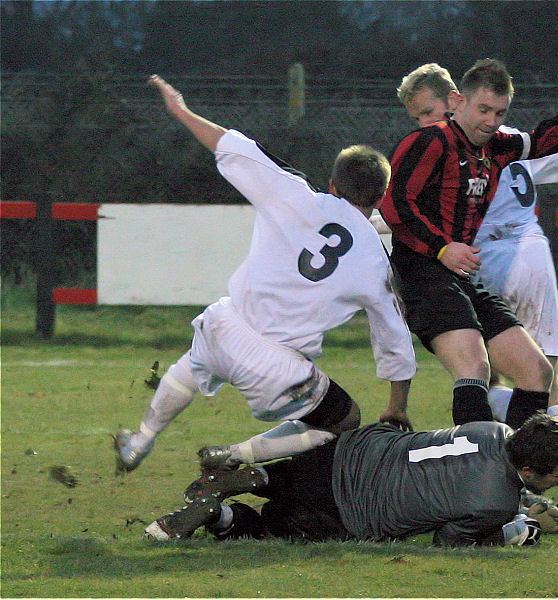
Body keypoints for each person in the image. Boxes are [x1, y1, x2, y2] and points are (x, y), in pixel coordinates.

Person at [114, 75, 417, 474]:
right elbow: (393, 334)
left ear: (331, 183)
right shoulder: (376, 259)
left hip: (225, 325)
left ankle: (139, 441)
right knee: (343, 421)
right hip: (278, 369)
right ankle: (233, 456)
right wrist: (397, 403)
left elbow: (235, 147)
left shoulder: (293, 193)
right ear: (381, 197)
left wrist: (181, 111)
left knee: (188, 368)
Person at [392, 63, 558, 518]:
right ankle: (473, 490)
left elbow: (545, 139)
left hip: (462, 275)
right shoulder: (428, 142)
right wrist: (441, 247)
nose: (490, 120)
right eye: (483, 109)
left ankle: (514, 482)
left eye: (500, 111)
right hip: (423, 272)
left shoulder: (496, 147)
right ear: (459, 102)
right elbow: (394, 205)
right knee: (474, 366)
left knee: (535, 371)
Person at [144, 413, 558, 547]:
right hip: (350, 515)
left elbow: (462, 477)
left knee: (287, 477)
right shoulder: (497, 505)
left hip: (351, 452)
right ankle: (220, 515)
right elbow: (449, 542)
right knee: (265, 528)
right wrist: (520, 531)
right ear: (525, 471)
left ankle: (252, 474)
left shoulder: (493, 429)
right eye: (555, 477)